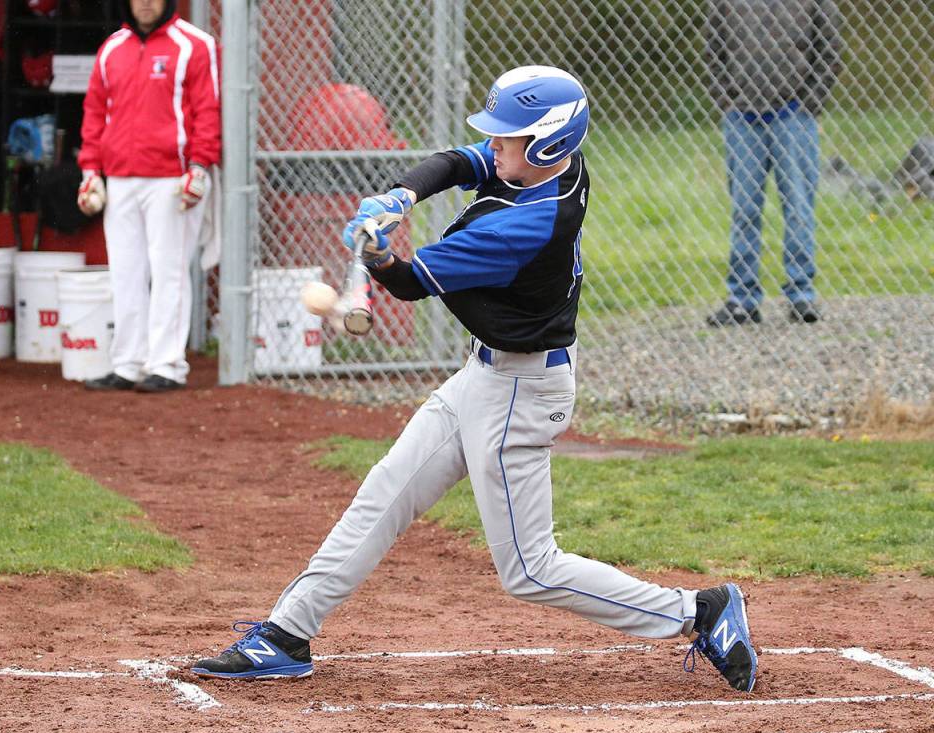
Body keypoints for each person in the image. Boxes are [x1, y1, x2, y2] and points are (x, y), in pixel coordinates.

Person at [192, 67, 758, 692]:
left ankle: (699, 612)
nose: (495, 145)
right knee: (384, 494)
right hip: (483, 375)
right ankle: (286, 633)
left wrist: (378, 257)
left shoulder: (525, 225)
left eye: (508, 137)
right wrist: (401, 196)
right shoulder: (553, 166)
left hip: (521, 393)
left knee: (530, 571)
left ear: (546, 143)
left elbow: (410, 283)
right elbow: (460, 162)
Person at [76, 0, 220, 392]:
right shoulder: (112, 48)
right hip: (120, 178)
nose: (144, 3)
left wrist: (199, 168)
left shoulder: (195, 44)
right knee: (124, 273)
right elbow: (94, 112)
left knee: (169, 271)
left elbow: (207, 111)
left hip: (172, 179)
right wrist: (90, 172)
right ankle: (127, 364)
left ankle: (167, 365)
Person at [703, 0, 842, 326]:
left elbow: (830, 49)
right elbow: (712, 52)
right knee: (744, 210)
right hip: (742, 119)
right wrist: (728, 100)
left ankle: (801, 295)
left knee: (798, 207)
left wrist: (810, 102)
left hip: (794, 116)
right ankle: (742, 299)